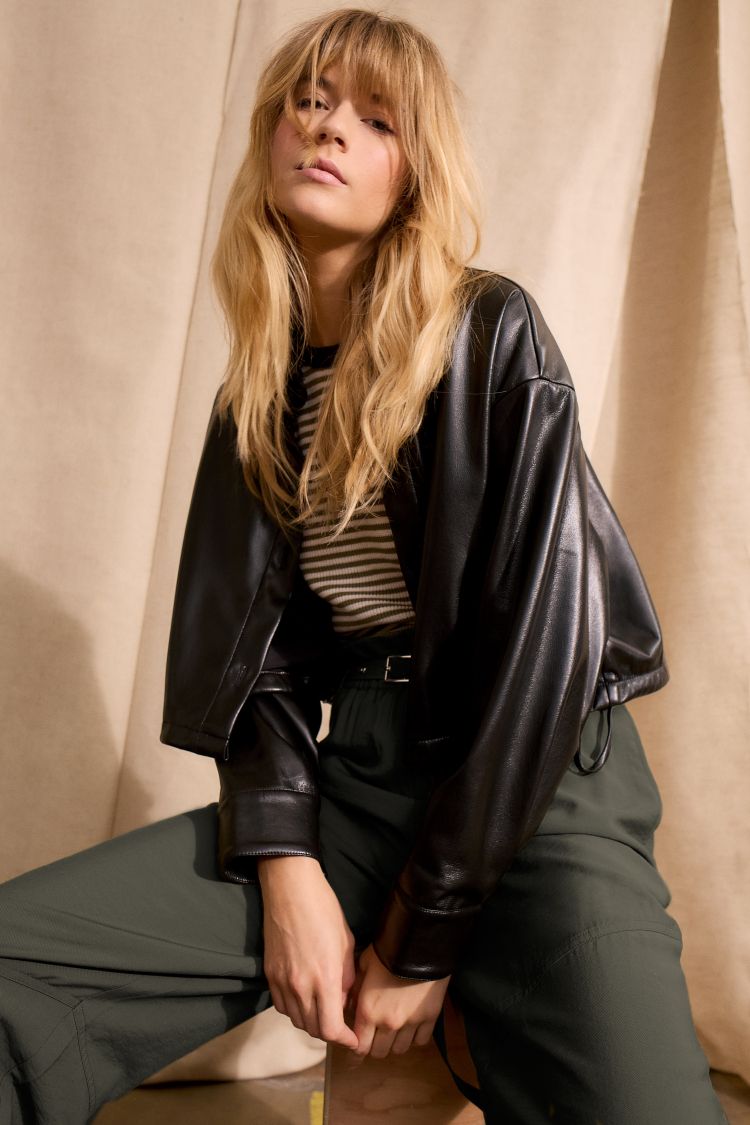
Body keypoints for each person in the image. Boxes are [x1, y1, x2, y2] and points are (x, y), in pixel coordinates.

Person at [0, 7, 730, 1123]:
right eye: (307, 103)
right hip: (360, 778)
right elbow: (257, 667)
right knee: (16, 964)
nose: (327, 128)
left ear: (415, 174)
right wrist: (286, 864)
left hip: (539, 786)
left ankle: (483, 1019)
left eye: (375, 119)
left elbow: (542, 655)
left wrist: (420, 941)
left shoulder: (492, 333)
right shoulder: (259, 392)